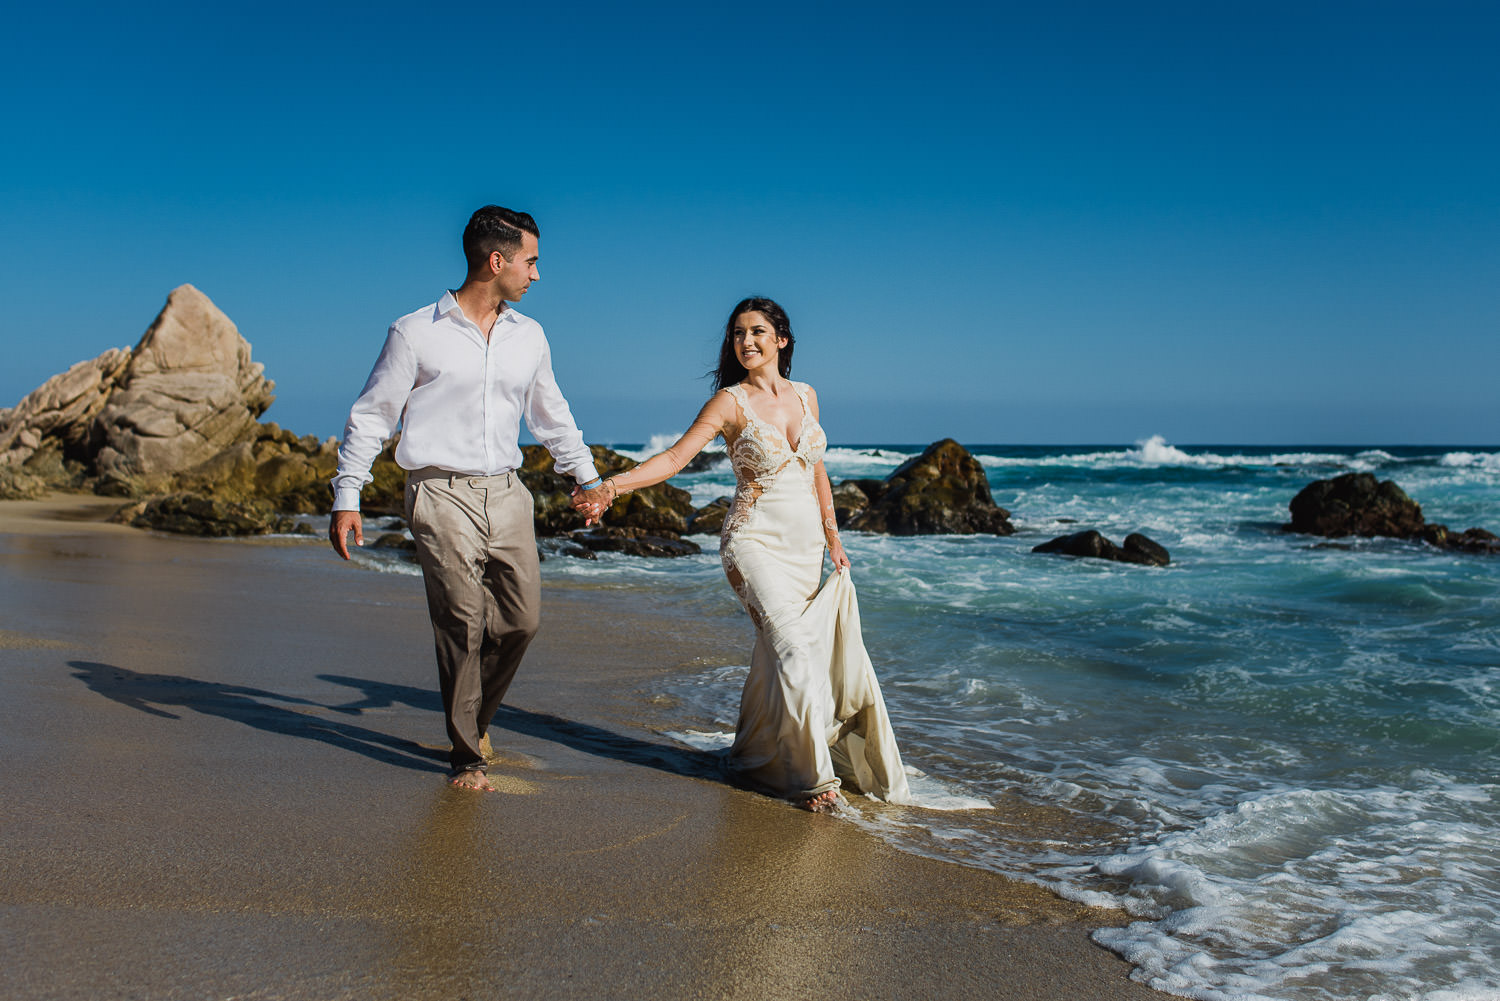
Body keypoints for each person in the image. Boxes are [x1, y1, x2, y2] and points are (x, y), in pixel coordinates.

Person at [572, 297, 912, 812]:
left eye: (757, 331)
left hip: (805, 552)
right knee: (795, 649)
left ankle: (756, 755)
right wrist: (610, 487)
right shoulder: (729, 402)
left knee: (777, 656)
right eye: (737, 333)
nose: (745, 341)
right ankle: (813, 782)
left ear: (782, 339)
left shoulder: (807, 396)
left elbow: (816, 470)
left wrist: (834, 540)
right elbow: (673, 458)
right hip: (751, 543)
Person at [329, 205, 609, 792]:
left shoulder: (529, 335)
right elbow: (371, 417)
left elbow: (550, 414)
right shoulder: (414, 332)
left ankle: (474, 719)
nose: (537, 275)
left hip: (508, 492)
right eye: (531, 262)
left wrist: (585, 478)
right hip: (437, 490)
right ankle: (466, 756)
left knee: (521, 621)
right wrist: (347, 496)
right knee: (460, 618)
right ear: (496, 260)